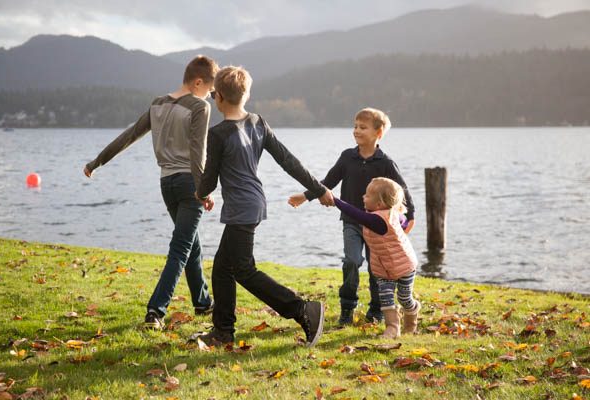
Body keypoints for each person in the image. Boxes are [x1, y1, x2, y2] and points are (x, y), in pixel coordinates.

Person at [195, 65, 334, 347]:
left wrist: (201, 193)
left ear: (218, 97)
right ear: (246, 95)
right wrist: (318, 188)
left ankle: (302, 309)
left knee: (244, 270)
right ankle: (223, 331)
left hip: (241, 208)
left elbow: (209, 177)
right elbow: (288, 160)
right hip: (255, 202)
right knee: (222, 268)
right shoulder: (258, 122)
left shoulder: (218, 134)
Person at [83, 56, 219, 330]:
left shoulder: (158, 103)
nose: (211, 96)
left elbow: (130, 135)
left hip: (166, 183)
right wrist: (203, 190)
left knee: (190, 243)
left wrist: (96, 162)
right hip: (189, 184)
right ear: (198, 83)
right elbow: (198, 152)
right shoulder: (199, 106)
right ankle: (155, 311)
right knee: (181, 248)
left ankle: (202, 302)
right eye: (210, 89)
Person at [288, 108, 415, 326]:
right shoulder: (347, 157)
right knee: (351, 261)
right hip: (351, 223)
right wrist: (305, 196)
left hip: (377, 228)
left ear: (378, 133)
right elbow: (329, 181)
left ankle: (376, 311)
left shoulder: (385, 162)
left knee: (377, 269)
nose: (357, 130)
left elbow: (401, 189)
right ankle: (347, 308)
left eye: (363, 127)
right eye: (355, 126)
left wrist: (410, 214)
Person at [333, 177, 420, 338]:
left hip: (404, 265)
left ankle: (411, 320)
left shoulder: (377, 220)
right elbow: (403, 220)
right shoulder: (383, 214)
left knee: (404, 297)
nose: (363, 197)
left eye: (367, 195)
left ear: (379, 204)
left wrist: (334, 200)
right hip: (383, 266)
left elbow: (354, 213)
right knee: (385, 297)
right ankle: (392, 328)